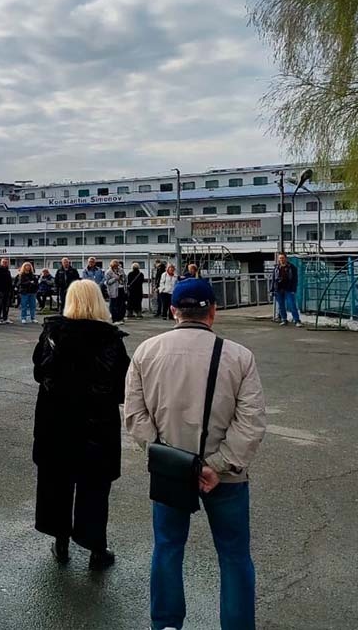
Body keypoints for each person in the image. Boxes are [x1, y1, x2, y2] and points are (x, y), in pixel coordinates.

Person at [124, 279, 266, 630]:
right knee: (233, 555)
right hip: (226, 474)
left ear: (173, 310)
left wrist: (159, 452)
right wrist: (217, 465)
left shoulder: (146, 352)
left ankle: (167, 623)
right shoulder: (239, 356)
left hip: (170, 469)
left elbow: (134, 414)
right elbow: (251, 422)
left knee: (168, 547)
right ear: (213, 312)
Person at [32, 280, 129, 571]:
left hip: (56, 421)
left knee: (56, 483)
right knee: (94, 488)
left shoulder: (52, 334)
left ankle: (61, 541)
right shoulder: (110, 339)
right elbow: (121, 387)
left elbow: (40, 372)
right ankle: (96, 547)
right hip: (96, 423)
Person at [272, 253, 301, 327]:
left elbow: (295, 279)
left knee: (292, 305)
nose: (281, 259)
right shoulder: (276, 268)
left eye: (282, 258)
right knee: (281, 306)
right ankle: (284, 319)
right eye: (280, 258)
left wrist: (293, 289)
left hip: (288, 288)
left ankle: (297, 320)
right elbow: (273, 279)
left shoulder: (291, 267)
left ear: (286, 258)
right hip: (278, 289)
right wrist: (272, 289)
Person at [104, 259, 127, 325]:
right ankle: (114, 319)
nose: (117, 267)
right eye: (115, 266)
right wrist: (115, 278)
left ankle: (120, 318)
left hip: (121, 288)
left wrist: (123, 278)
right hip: (113, 290)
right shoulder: (108, 272)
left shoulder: (121, 270)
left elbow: (125, 278)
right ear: (112, 266)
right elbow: (107, 282)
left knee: (122, 305)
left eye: (117, 266)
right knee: (113, 305)